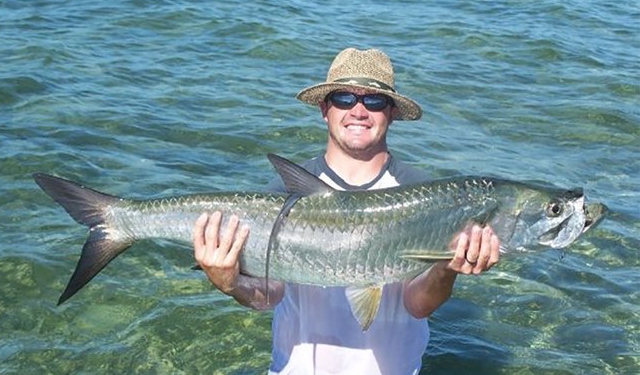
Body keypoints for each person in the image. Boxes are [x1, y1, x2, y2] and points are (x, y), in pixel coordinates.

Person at [192, 48, 500, 374]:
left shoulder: (423, 195)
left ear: (391, 112)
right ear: (325, 109)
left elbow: (417, 304)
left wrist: (446, 267)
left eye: (374, 101)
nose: (358, 111)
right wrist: (231, 283)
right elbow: (268, 296)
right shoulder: (284, 195)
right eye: (344, 98)